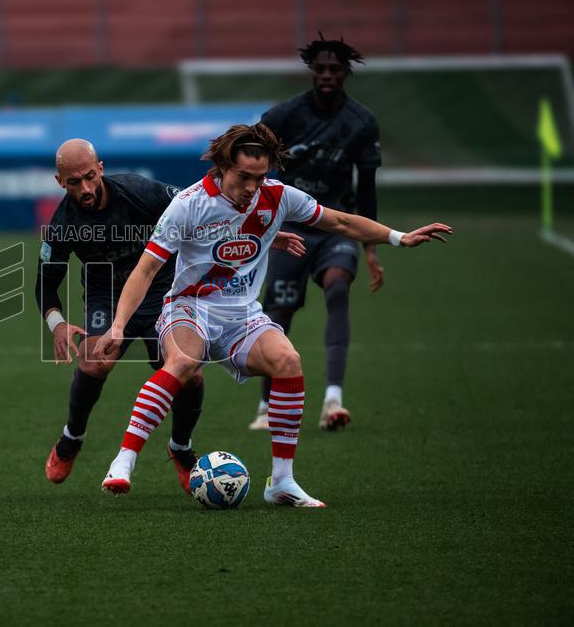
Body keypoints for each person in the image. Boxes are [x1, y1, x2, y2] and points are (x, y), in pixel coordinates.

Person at [98, 123, 450, 506]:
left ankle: (281, 482)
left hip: (242, 316)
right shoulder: (188, 203)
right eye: (243, 176)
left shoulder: (278, 197)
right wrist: (118, 326)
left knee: (288, 361)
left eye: (260, 177)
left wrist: (400, 237)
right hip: (189, 306)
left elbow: (341, 221)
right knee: (182, 361)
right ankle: (124, 460)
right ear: (223, 166)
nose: (252, 186)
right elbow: (146, 270)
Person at [37, 139, 305, 493]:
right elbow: (44, 285)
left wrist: (262, 233)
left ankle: (181, 447)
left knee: (189, 372)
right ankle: (72, 437)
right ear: (60, 182)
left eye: (90, 177)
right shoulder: (62, 224)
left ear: (100, 168)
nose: (85, 188)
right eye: (74, 182)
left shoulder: (138, 191)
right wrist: (57, 324)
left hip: (162, 289)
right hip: (106, 294)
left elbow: (204, 210)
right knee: (92, 363)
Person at [250, 33, 382, 433]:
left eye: (335, 69)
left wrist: (371, 248)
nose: (327, 75)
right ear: (311, 71)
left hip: (337, 225)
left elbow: (368, 188)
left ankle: (333, 399)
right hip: (290, 228)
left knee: (338, 288)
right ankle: (265, 405)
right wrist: (260, 227)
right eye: (320, 69)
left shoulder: (361, 122)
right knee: (279, 312)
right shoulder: (282, 118)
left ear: (345, 73)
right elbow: (252, 167)